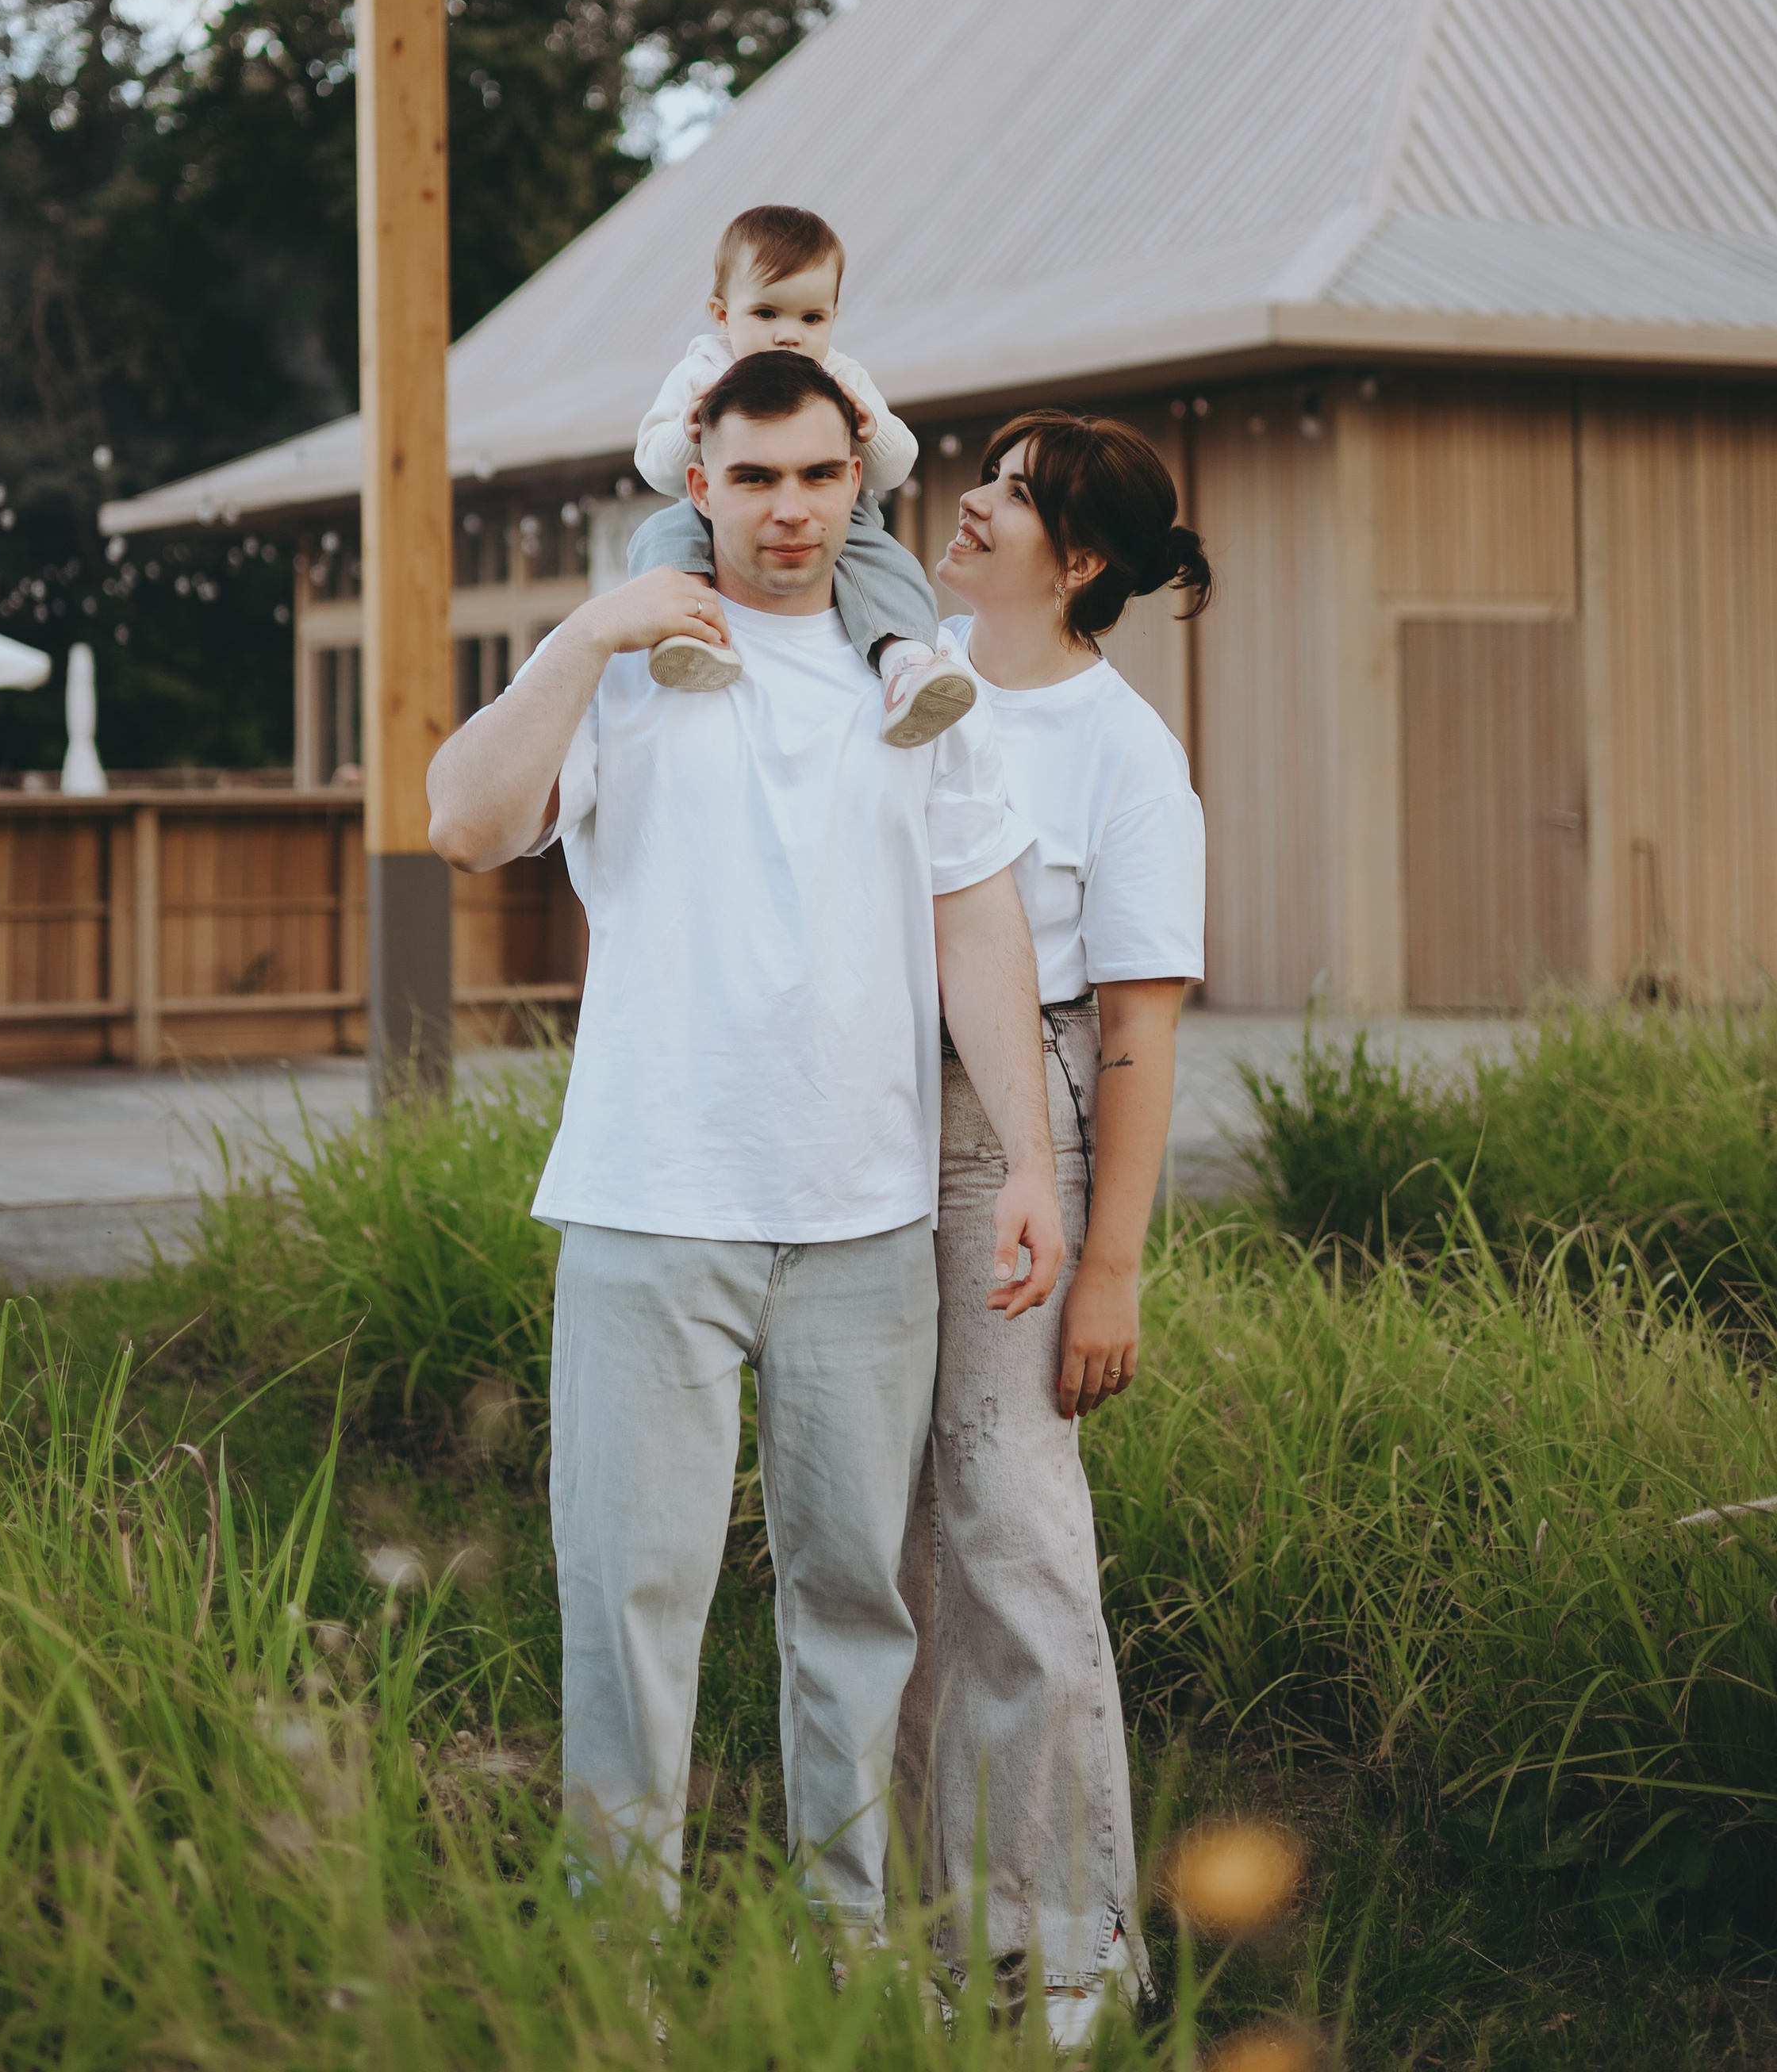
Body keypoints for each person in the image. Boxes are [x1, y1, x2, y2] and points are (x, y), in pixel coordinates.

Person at [426, 347, 1065, 1939]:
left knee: (854, 1605)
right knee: (628, 1602)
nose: (787, 510)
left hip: (862, 1219)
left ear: (862, 482)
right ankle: (615, 1960)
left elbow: (979, 934)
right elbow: (461, 819)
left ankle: (839, 1947)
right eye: (753, 476)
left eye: (816, 477)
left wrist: (1040, 1168)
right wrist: (580, 636)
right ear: (694, 480)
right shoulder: (631, 662)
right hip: (651, 1207)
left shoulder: (913, 677)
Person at [896, 410, 1211, 2047]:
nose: (968, 499)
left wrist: (1110, 1271)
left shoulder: (1119, 750)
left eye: (1010, 493)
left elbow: (1140, 1035)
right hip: (859, 1126)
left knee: (1010, 1533)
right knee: (890, 1546)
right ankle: (923, 1930)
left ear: (1077, 557)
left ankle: (1059, 1948)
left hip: (1021, 1144)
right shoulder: (893, 663)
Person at [628, 201, 976, 748]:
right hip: (709, 508)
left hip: (843, 517)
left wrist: (870, 424)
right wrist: (686, 428)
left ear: (833, 318)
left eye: (811, 318)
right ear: (722, 314)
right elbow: (654, 465)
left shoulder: (841, 374)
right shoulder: (701, 370)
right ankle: (690, 631)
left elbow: (895, 464)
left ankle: (905, 661)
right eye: (766, 314)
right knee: (660, 537)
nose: (789, 335)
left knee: (886, 563)